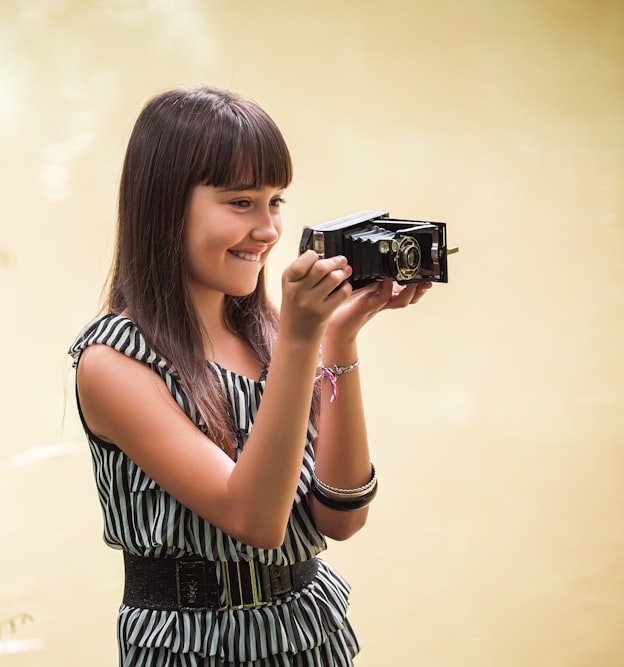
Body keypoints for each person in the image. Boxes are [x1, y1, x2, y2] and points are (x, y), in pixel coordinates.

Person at [68, 86, 431, 666]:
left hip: (310, 633)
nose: (268, 230)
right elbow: (255, 521)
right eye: (240, 203)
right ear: (166, 205)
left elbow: (341, 518)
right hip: (189, 646)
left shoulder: (272, 335)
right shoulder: (113, 363)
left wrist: (337, 338)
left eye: (276, 201)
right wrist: (300, 342)